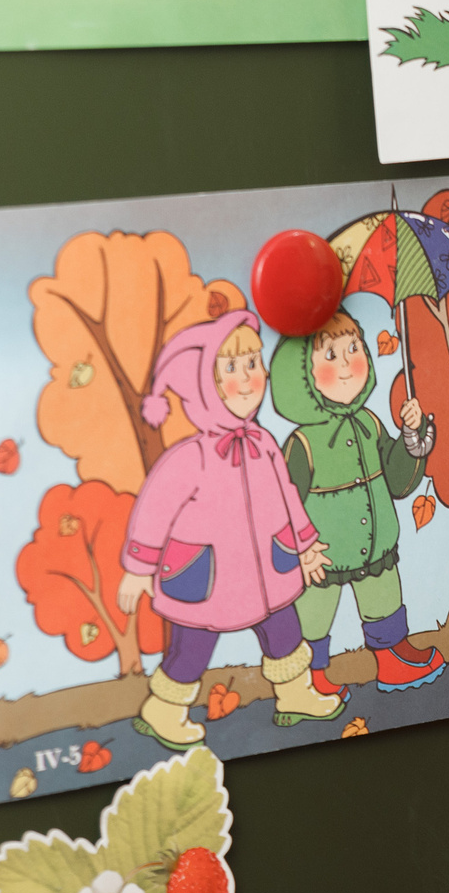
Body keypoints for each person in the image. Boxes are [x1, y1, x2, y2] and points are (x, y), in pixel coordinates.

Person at [120, 310, 343, 743]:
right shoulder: (190, 457)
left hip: (268, 571)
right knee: (191, 647)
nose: (247, 378)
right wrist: (139, 567)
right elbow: (153, 511)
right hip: (206, 576)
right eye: (231, 367)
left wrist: (306, 545)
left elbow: (287, 496)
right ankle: (163, 710)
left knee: (284, 630)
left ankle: (295, 695)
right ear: (204, 384)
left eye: (253, 363)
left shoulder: (264, 443)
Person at [269, 310, 446, 697]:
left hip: (376, 545)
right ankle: (311, 673)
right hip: (323, 555)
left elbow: (398, 480)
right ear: (302, 376)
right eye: (331, 355)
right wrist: (298, 550)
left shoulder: (370, 423)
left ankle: (392, 656)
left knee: (384, 597)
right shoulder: (303, 443)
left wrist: (411, 435)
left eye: (354, 348)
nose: (347, 363)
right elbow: (281, 505)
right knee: (314, 614)